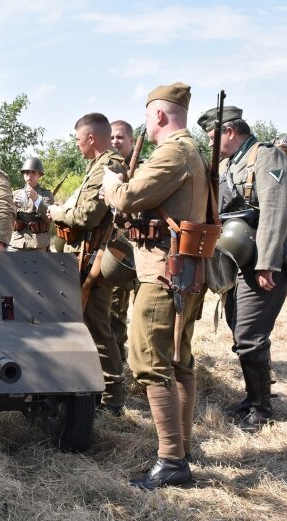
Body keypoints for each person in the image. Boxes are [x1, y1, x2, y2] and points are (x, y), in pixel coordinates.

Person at [103, 82, 207, 489]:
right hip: (182, 272)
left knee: (148, 360)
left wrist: (110, 182)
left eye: (148, 116)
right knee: (179, 360)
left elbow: (129, 197)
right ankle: (180, 449)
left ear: (159, 116)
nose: (147, 122)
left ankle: (171, 461)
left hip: (164, 274)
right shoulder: (189, 151)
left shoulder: (174, 151)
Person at [198, 104, 287, 432]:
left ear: (229, 131)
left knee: (250, 334)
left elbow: (276, 212)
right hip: (238, 258)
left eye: (214, 137)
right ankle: (252, 397)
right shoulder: (230, 162)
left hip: (265, 261)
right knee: (238, 327)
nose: (212, 144)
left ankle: (262, 408)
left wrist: (267, 264)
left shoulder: (266, 156)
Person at [46, 113, 127, 415]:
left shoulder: (108, 166)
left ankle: (112, 398)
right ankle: (94, 388)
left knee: (96, 324)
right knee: (87, 324)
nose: (77, 143)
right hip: (84, 254)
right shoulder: (97, 167)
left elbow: (87, 216)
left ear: (90, 138)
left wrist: (58, 213)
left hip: (96, 257)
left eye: (78, 138)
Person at [109, 120, 142, 362]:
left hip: (142, 246)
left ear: (131, 140)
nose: (115, 142)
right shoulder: (105, 169)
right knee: (113, 311)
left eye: (120, 137)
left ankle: (144, 368)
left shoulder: (146, 168)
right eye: (111, 138)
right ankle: (117, 365)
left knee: (143, 314)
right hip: (117, 245)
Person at [8, 157, 53, 251]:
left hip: (38, 243)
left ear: (40, 175)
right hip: (16, 242)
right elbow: (5, 219)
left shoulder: (46, 195)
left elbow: (48, 219)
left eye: (33, 172)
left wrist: (37, 200)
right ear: (23, 174)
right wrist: (12, 206)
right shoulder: (15, 194)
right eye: (27, 172)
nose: (30, 175)